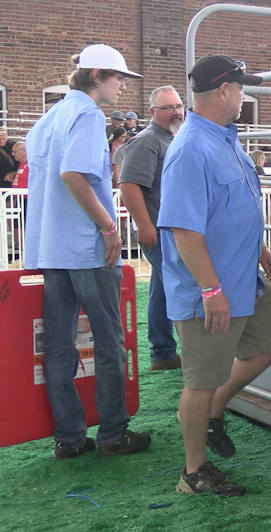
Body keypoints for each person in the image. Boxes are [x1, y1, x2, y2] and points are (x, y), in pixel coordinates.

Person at [158, 54, 271, 496]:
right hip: (211, 289)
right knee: (200, 380)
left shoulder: (223, 137)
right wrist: (211, 289)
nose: (244, 96)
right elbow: (184, 229)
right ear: (224, 91)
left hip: (243, 277)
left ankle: (215, 409)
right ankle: (193, 472)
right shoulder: (191, 148)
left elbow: (230, 207)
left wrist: (260, 247)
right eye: (241, 88)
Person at [25, 43, 152, 460]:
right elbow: (73, 175)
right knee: (109, 340)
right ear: (97, 75)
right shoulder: (86, 115)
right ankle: (113, 433)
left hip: (51, 247)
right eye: (118, 78)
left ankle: (69, 437)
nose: (121, 87)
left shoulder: (49, 118)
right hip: (86, 247)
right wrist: (108, 226)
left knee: (58, 344)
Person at [119, 85, 185, 372]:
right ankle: (175, 351)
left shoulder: (173, 138)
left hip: (170, 231)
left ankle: (163, 353)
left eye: (179, 105)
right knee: (180, 285)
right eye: (168, 107)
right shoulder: (147, 141)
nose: (176, 111)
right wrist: (144, 226)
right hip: (158, 232)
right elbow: (128, 185)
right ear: (153, 112)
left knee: (163, 288)